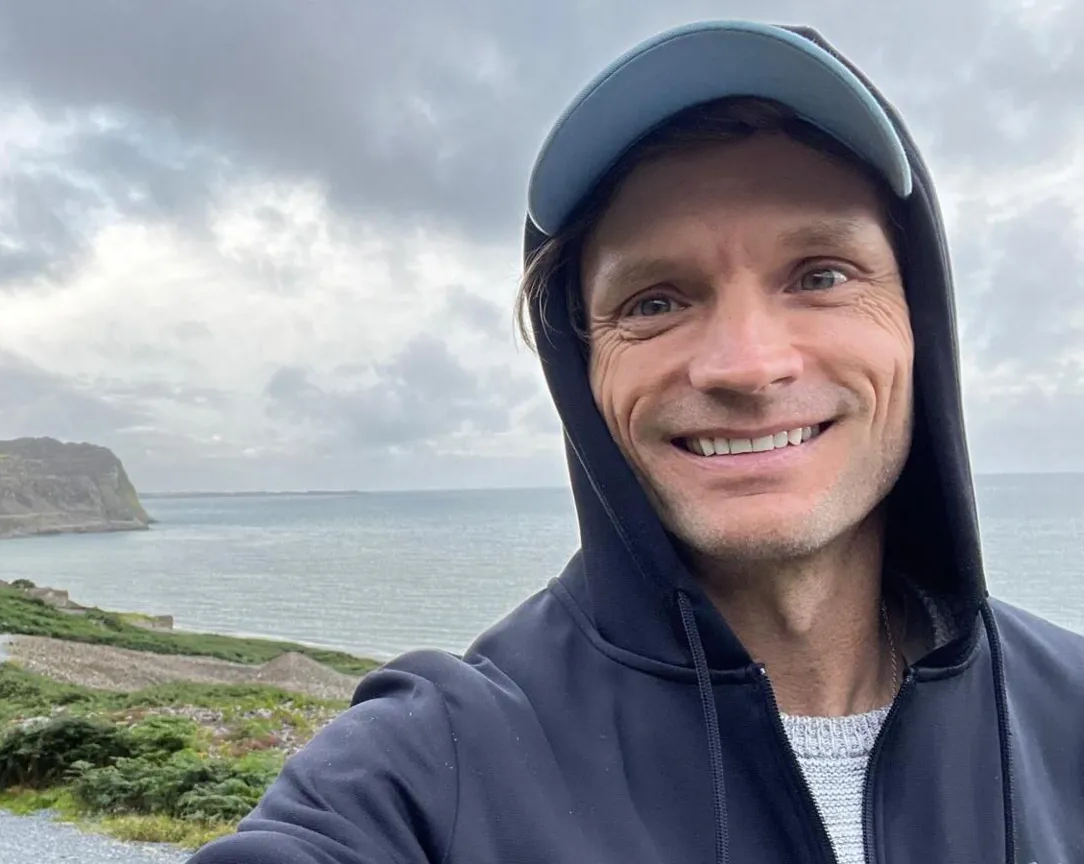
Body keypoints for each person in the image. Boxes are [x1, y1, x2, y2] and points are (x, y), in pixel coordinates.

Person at [188, 20, 1084, 864]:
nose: (745, 366)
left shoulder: (1069, 713)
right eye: (654, 301)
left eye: (820, 275)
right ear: (583, 369)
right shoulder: (431, 767)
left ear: (920, 322)